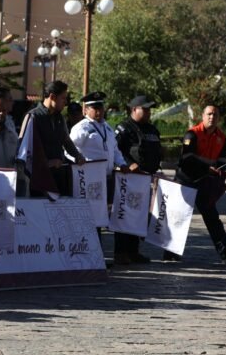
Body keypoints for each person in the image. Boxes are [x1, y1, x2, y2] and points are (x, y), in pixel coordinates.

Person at [173, 105, 226, 264]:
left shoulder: (222, 138)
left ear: (219, 118)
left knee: (212, 217)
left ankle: (224, 250)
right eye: (209, 114)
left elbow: (222, 161)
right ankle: (171, 251)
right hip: (186, 180)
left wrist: (219, 175)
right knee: (179, 217)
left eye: (215, 114)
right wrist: (206, 167)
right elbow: (186, 158)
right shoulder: (192, 134)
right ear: (203, 116)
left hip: (205, 181)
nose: (212, 117)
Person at [70, 92, 130, 265]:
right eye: (95, 108)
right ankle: (92, 256)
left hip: (108, 178)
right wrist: (79, 161)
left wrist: (122, 163)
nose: (99, 111)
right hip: (90, 179)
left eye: (101, 107)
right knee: (92, 217)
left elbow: (115, 150)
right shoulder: (80, 128)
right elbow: (69, 149)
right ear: (86, 109)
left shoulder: (107, 128)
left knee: (106, 216)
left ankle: (102, 255)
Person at [113, 95, 163, 264]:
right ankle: (121, 252)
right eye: (145, 109)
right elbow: (116, 150)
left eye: (150, 109)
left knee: (139, 216)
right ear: (134, 109)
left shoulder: (151, 129)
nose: (149, 112)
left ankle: (133, 251)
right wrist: (129, 163)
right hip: (129, 178)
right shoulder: (124, 128)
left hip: (146, 178)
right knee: (124, 214)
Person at [20, 81, 85, 196]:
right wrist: (47, 163)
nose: (65, 103)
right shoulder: (33, 117)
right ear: (52, 97)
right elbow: (24, 150)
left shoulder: (60, 118)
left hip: (59, 175)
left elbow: (66, 140)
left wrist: (77, 156)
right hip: (40, 179)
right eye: (63, 98)